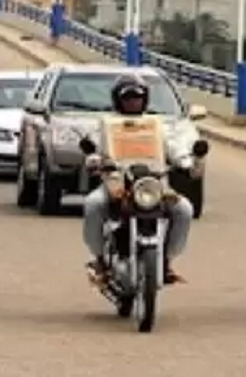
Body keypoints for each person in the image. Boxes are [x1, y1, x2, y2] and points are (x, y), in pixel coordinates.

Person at [82, 77, 193, 285]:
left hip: (153, 186)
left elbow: (173, 148)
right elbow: (95, 147)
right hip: (116, 184)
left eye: (138, 98)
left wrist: (185, 161)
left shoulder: (156, 126)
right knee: (93, 204)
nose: (133, 102)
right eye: (128, 98)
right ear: (118, 100)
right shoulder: (106, 125)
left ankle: (167, 262)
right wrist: (94, 160)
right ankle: (99, 261)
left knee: (184, 209)